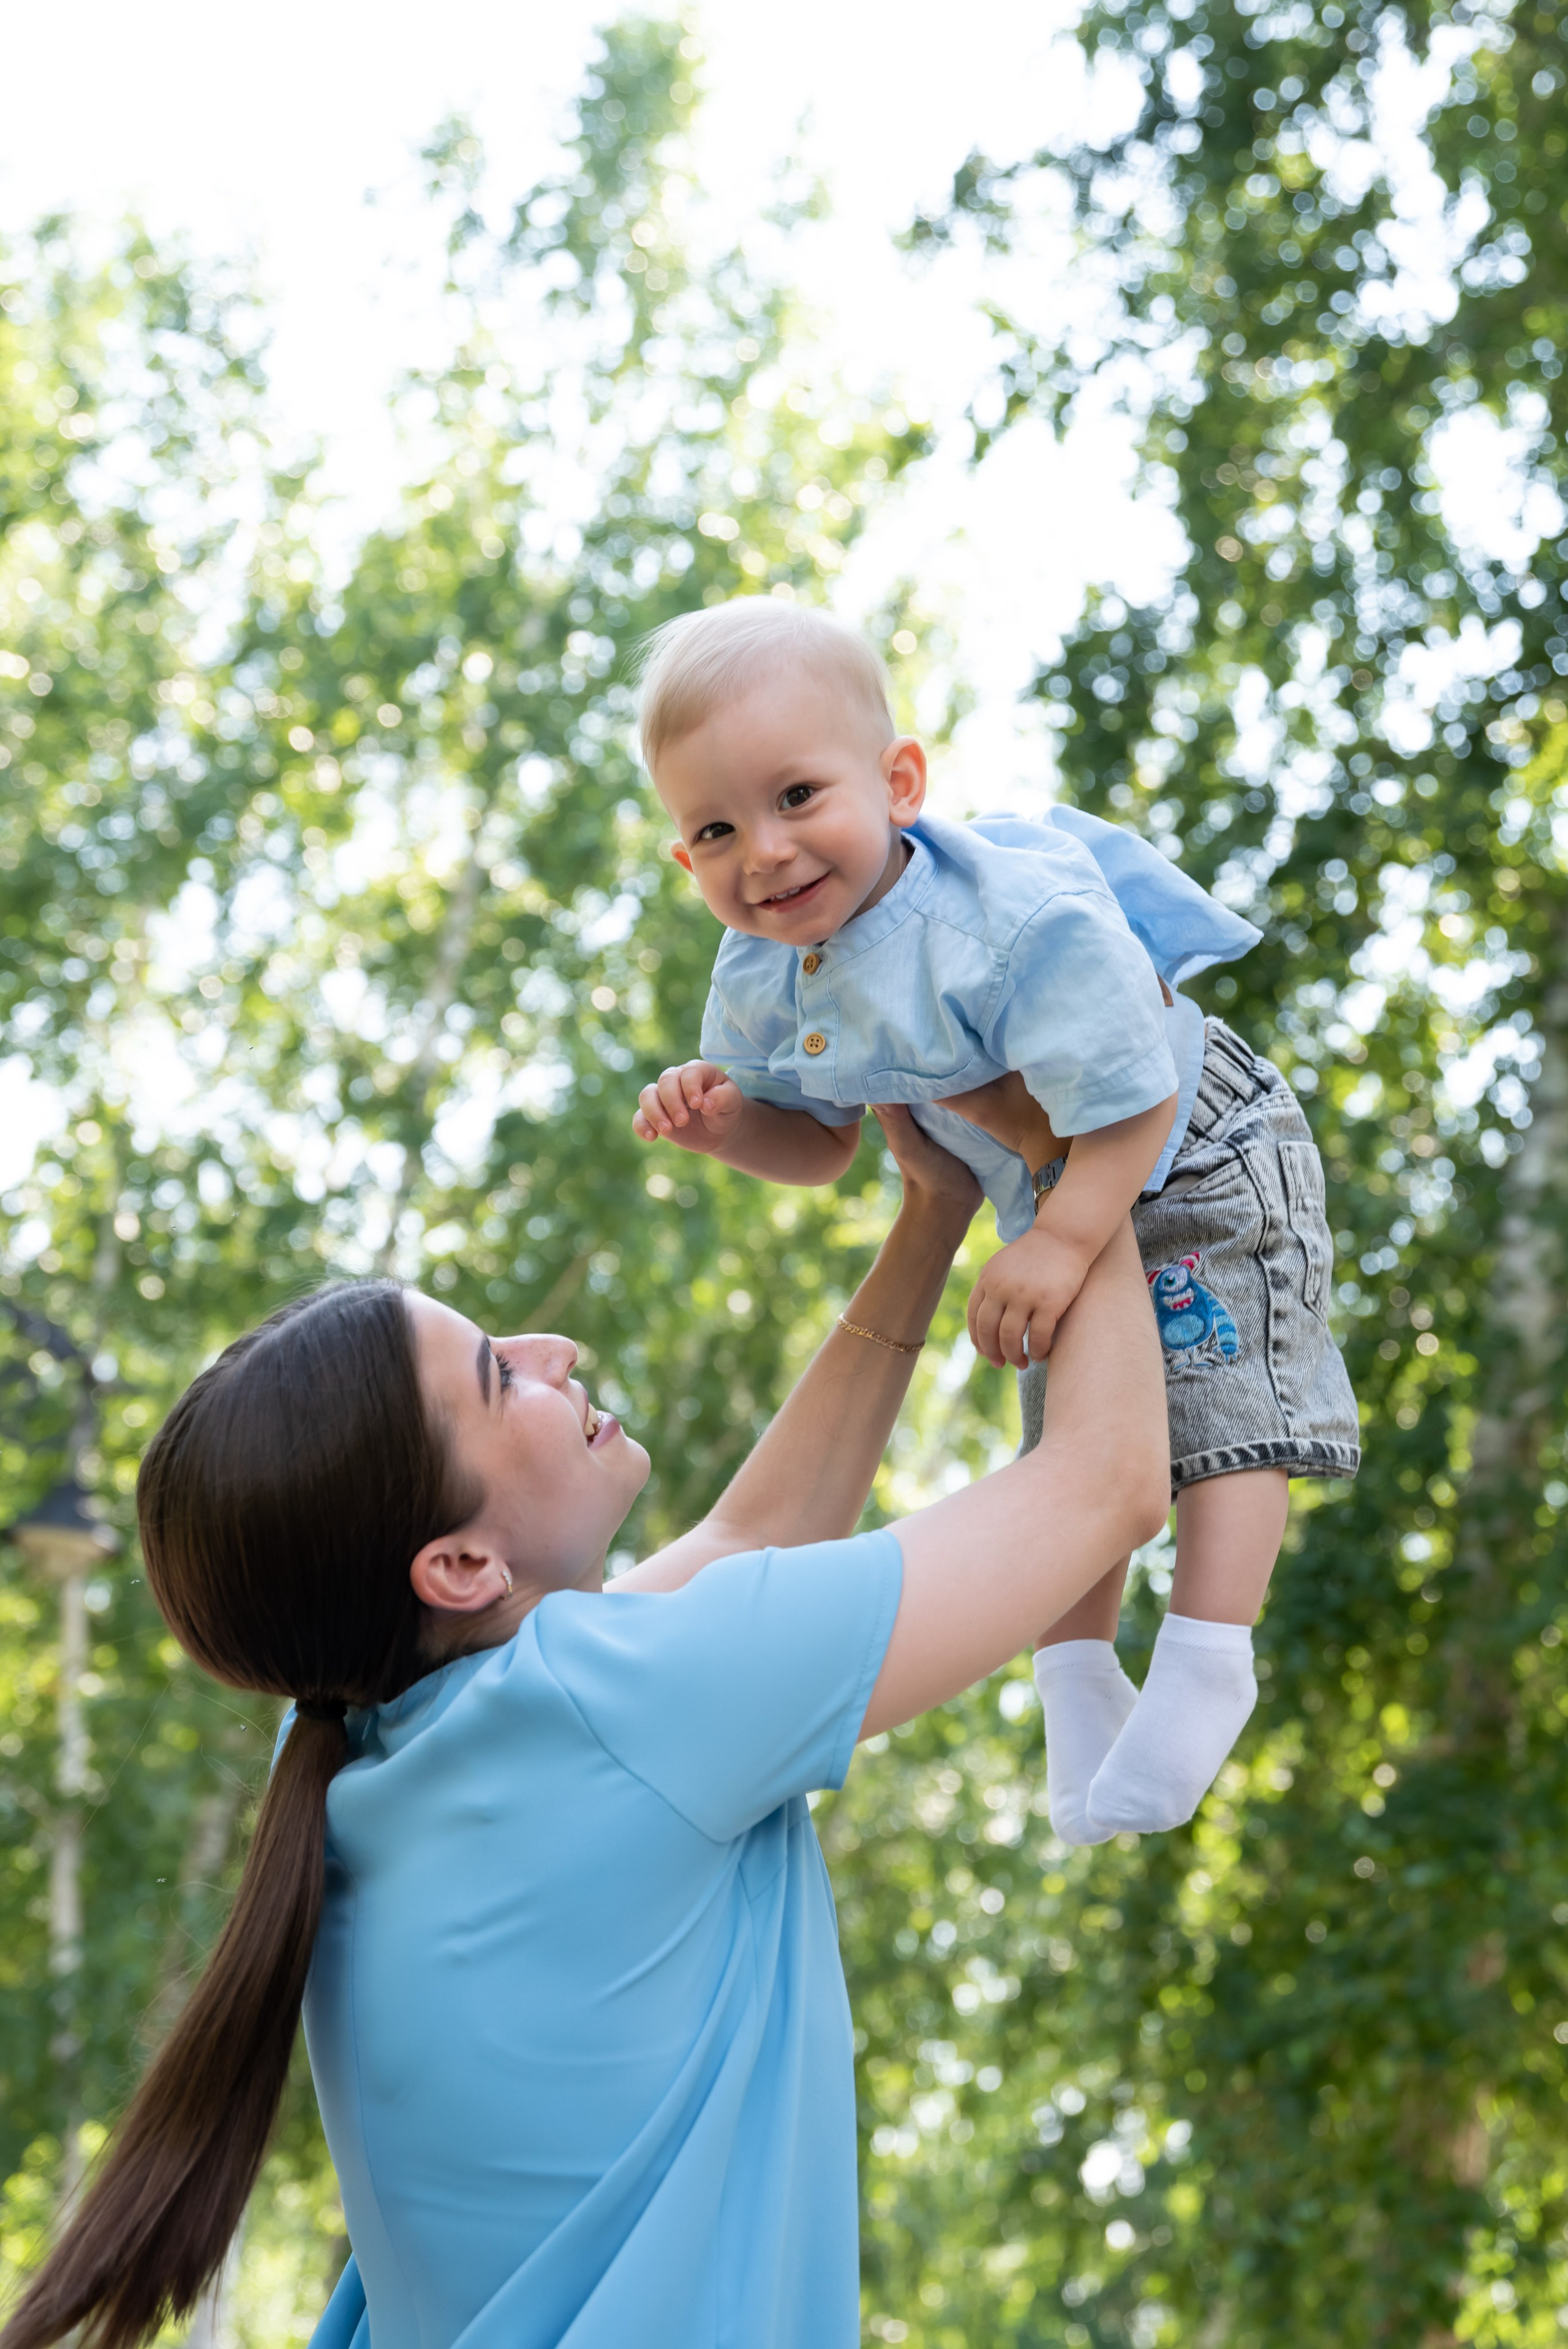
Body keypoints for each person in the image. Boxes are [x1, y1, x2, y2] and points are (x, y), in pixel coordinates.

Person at [0, 1107, 1168, 2349]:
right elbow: (1108, 1481)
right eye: (498, 1378)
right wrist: (1070, 1137)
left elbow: (750, 1539)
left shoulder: (387, 1750)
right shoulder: (605, 1705)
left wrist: (931, 1215)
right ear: (458, 1566)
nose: (553, 1351)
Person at [631, 597, 1360, 1840]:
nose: (764, 851)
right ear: (682, 859)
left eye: (798, 796)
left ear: (898, 783)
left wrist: (1066, 1239)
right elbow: (824, 1146)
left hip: (1195, 1146)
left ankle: (1206, 1657)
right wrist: (727, 1128)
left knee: (1221, 1396)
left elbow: (1138, 1083)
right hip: (1050, 1194)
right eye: (716, 829)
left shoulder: (1004, 918)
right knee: (1065, 1437)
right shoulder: (763, 973)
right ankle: (1076, 1686)